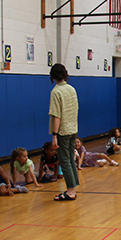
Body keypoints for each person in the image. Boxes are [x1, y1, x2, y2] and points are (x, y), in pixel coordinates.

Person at [48, 64, 79, 201]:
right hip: (73, 129)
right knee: (70, 159)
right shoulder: (72, 89)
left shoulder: (56, 92)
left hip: (63, 131)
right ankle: (73, 188)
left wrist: (54, 135)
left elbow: (57, 115)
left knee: (65, 160)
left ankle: (71, 191)